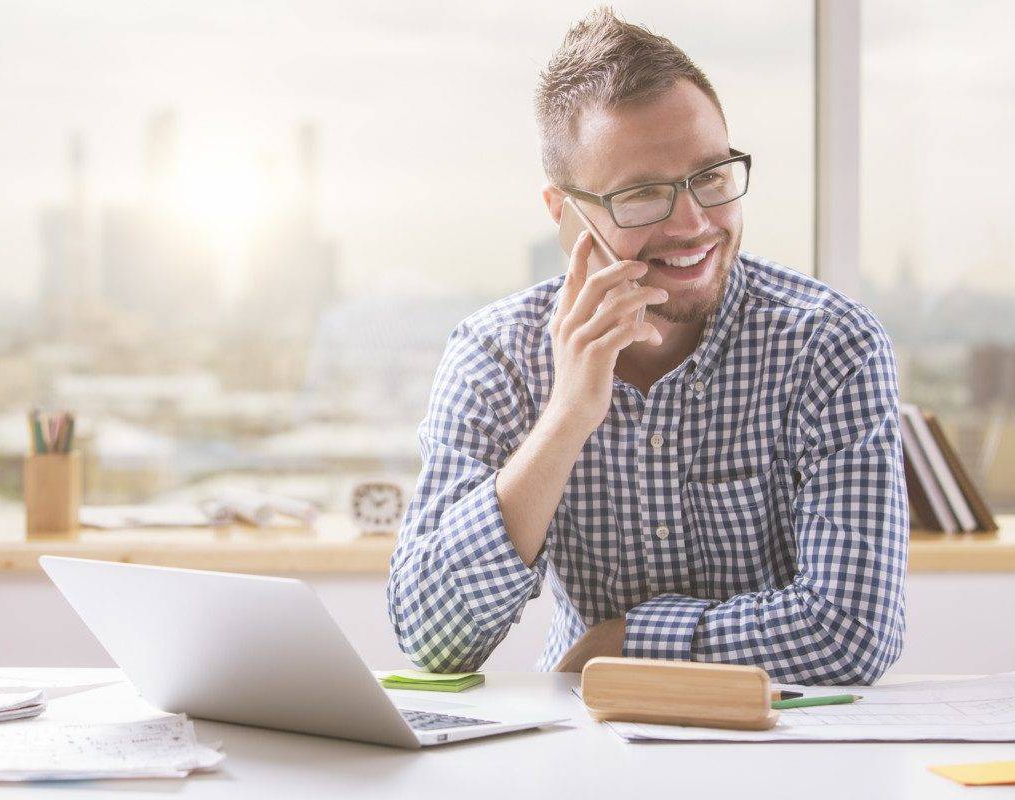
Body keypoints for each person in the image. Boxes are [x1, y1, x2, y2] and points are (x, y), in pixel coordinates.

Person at [386, 8, 907, 684]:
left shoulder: (831, 346)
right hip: (583, 749)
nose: (693, 225)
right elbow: (432, 636)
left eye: (712, 178)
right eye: (641, 195)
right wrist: (567, 415)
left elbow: (852, 633)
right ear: (564, 213)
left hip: (786, 750)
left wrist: (627, 640)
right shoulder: (499, 354)